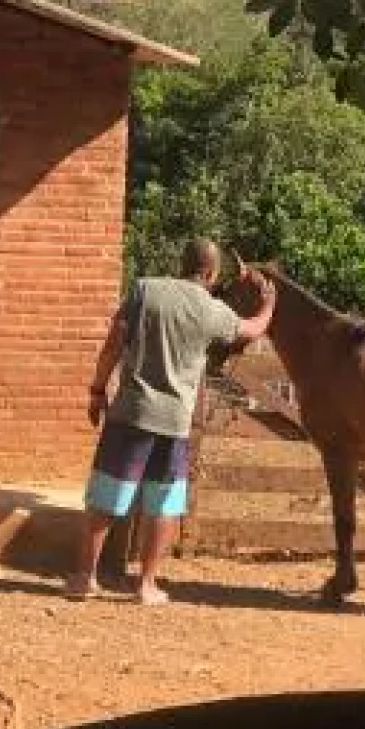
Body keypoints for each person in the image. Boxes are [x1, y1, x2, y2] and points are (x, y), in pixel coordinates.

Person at [68, 238, 276, 604]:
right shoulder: (210, 310)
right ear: (210, 273)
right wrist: (270, 305)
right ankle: (146, 585)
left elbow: (113, 343)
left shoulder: (145, 290)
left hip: (130, 413)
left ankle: (85, 578)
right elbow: (252, 330)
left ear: (181, 263)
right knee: (163, 504)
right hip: (174, 421)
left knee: (106, 496)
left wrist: (98, 390)